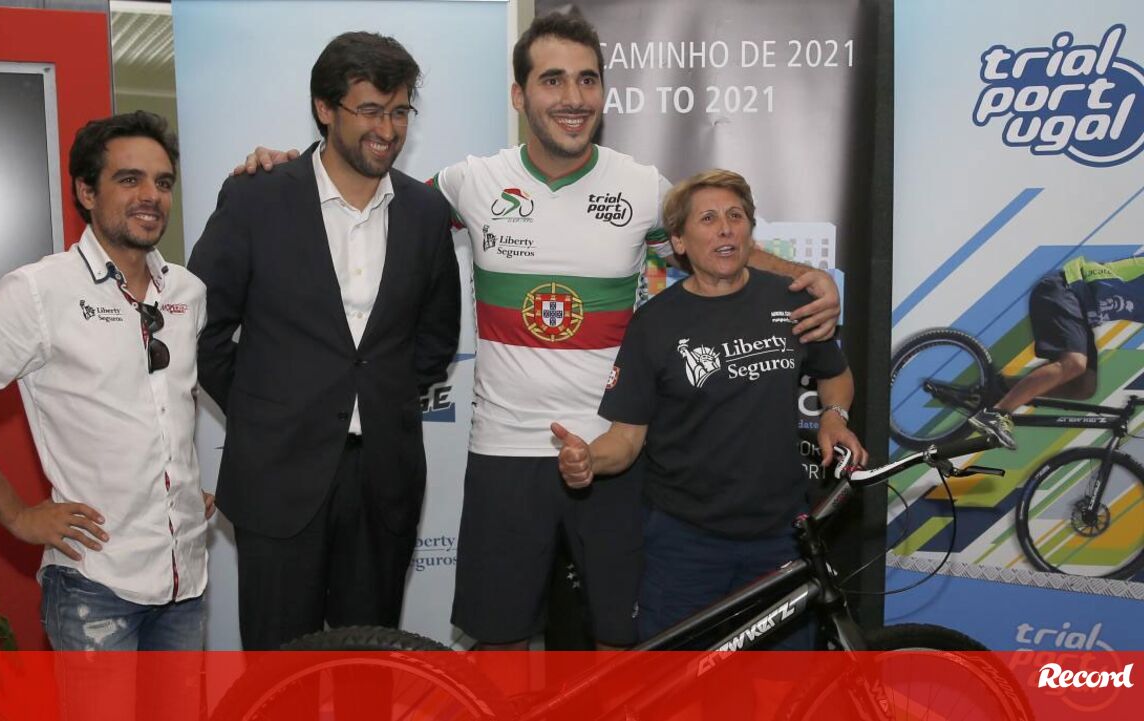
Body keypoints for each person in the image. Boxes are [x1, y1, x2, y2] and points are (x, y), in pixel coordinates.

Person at [237, 12, 841, 650]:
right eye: (553, 80)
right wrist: (289, 168)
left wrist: (810, 278)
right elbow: (371, 194)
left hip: (615, 454)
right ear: (519, 95)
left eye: (588, 80)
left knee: (624, 647)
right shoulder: (470, 182)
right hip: (504, 454)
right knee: (499, 648)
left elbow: (723, 249)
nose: (573, 97)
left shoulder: (641, 187)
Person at [187, 32, 461, 650]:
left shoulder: (424, 213)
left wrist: (380, 396)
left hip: (383, 479)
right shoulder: (257, 196)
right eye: (370, 110)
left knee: (371, 664)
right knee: (280, 672)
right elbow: (199, 326)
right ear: (325, 108)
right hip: (278, 475)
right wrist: (267, 408)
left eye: (400, 111)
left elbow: (436, 339)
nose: (387, 130)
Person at [554, 169, 867, 644]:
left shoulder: (790, 300)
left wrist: (834, 416)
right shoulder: (654, 324)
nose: (725, 229)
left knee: (787, 681)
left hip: (782, 535)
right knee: (678, 679)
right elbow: (626, 438)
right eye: (708, 219)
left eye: (735, 216)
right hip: (685, 543)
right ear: (679, 241)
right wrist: (588, 460)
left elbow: (834, 373)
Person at [0, 111, 213, 651]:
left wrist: (180, 489)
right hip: (95, 583)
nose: (151, 196)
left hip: (186, 580)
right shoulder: (39, 291)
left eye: (163, 183)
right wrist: (18, 515)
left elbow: (169, 409)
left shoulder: (188, 292)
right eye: (129, 179)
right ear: (86, 192)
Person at [970, 255, 1144, 450]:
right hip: (1064, 290)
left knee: (1084, 386)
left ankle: (1001, 388)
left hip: (1080, 312)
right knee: (1074, 364)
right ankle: (996, 413)